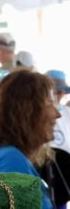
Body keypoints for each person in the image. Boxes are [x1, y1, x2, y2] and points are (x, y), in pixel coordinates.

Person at [0, 70, 60, 209]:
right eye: (50, 104)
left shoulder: (10, 157)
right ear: (27, 111)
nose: (58, 114)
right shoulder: (10, 161)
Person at [44, 70, 70, 208]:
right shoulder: (40, 112)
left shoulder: (67, 112)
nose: (59, 95)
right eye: (55, 91)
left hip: (63, 174)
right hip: (45, 170)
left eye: (62, 91)